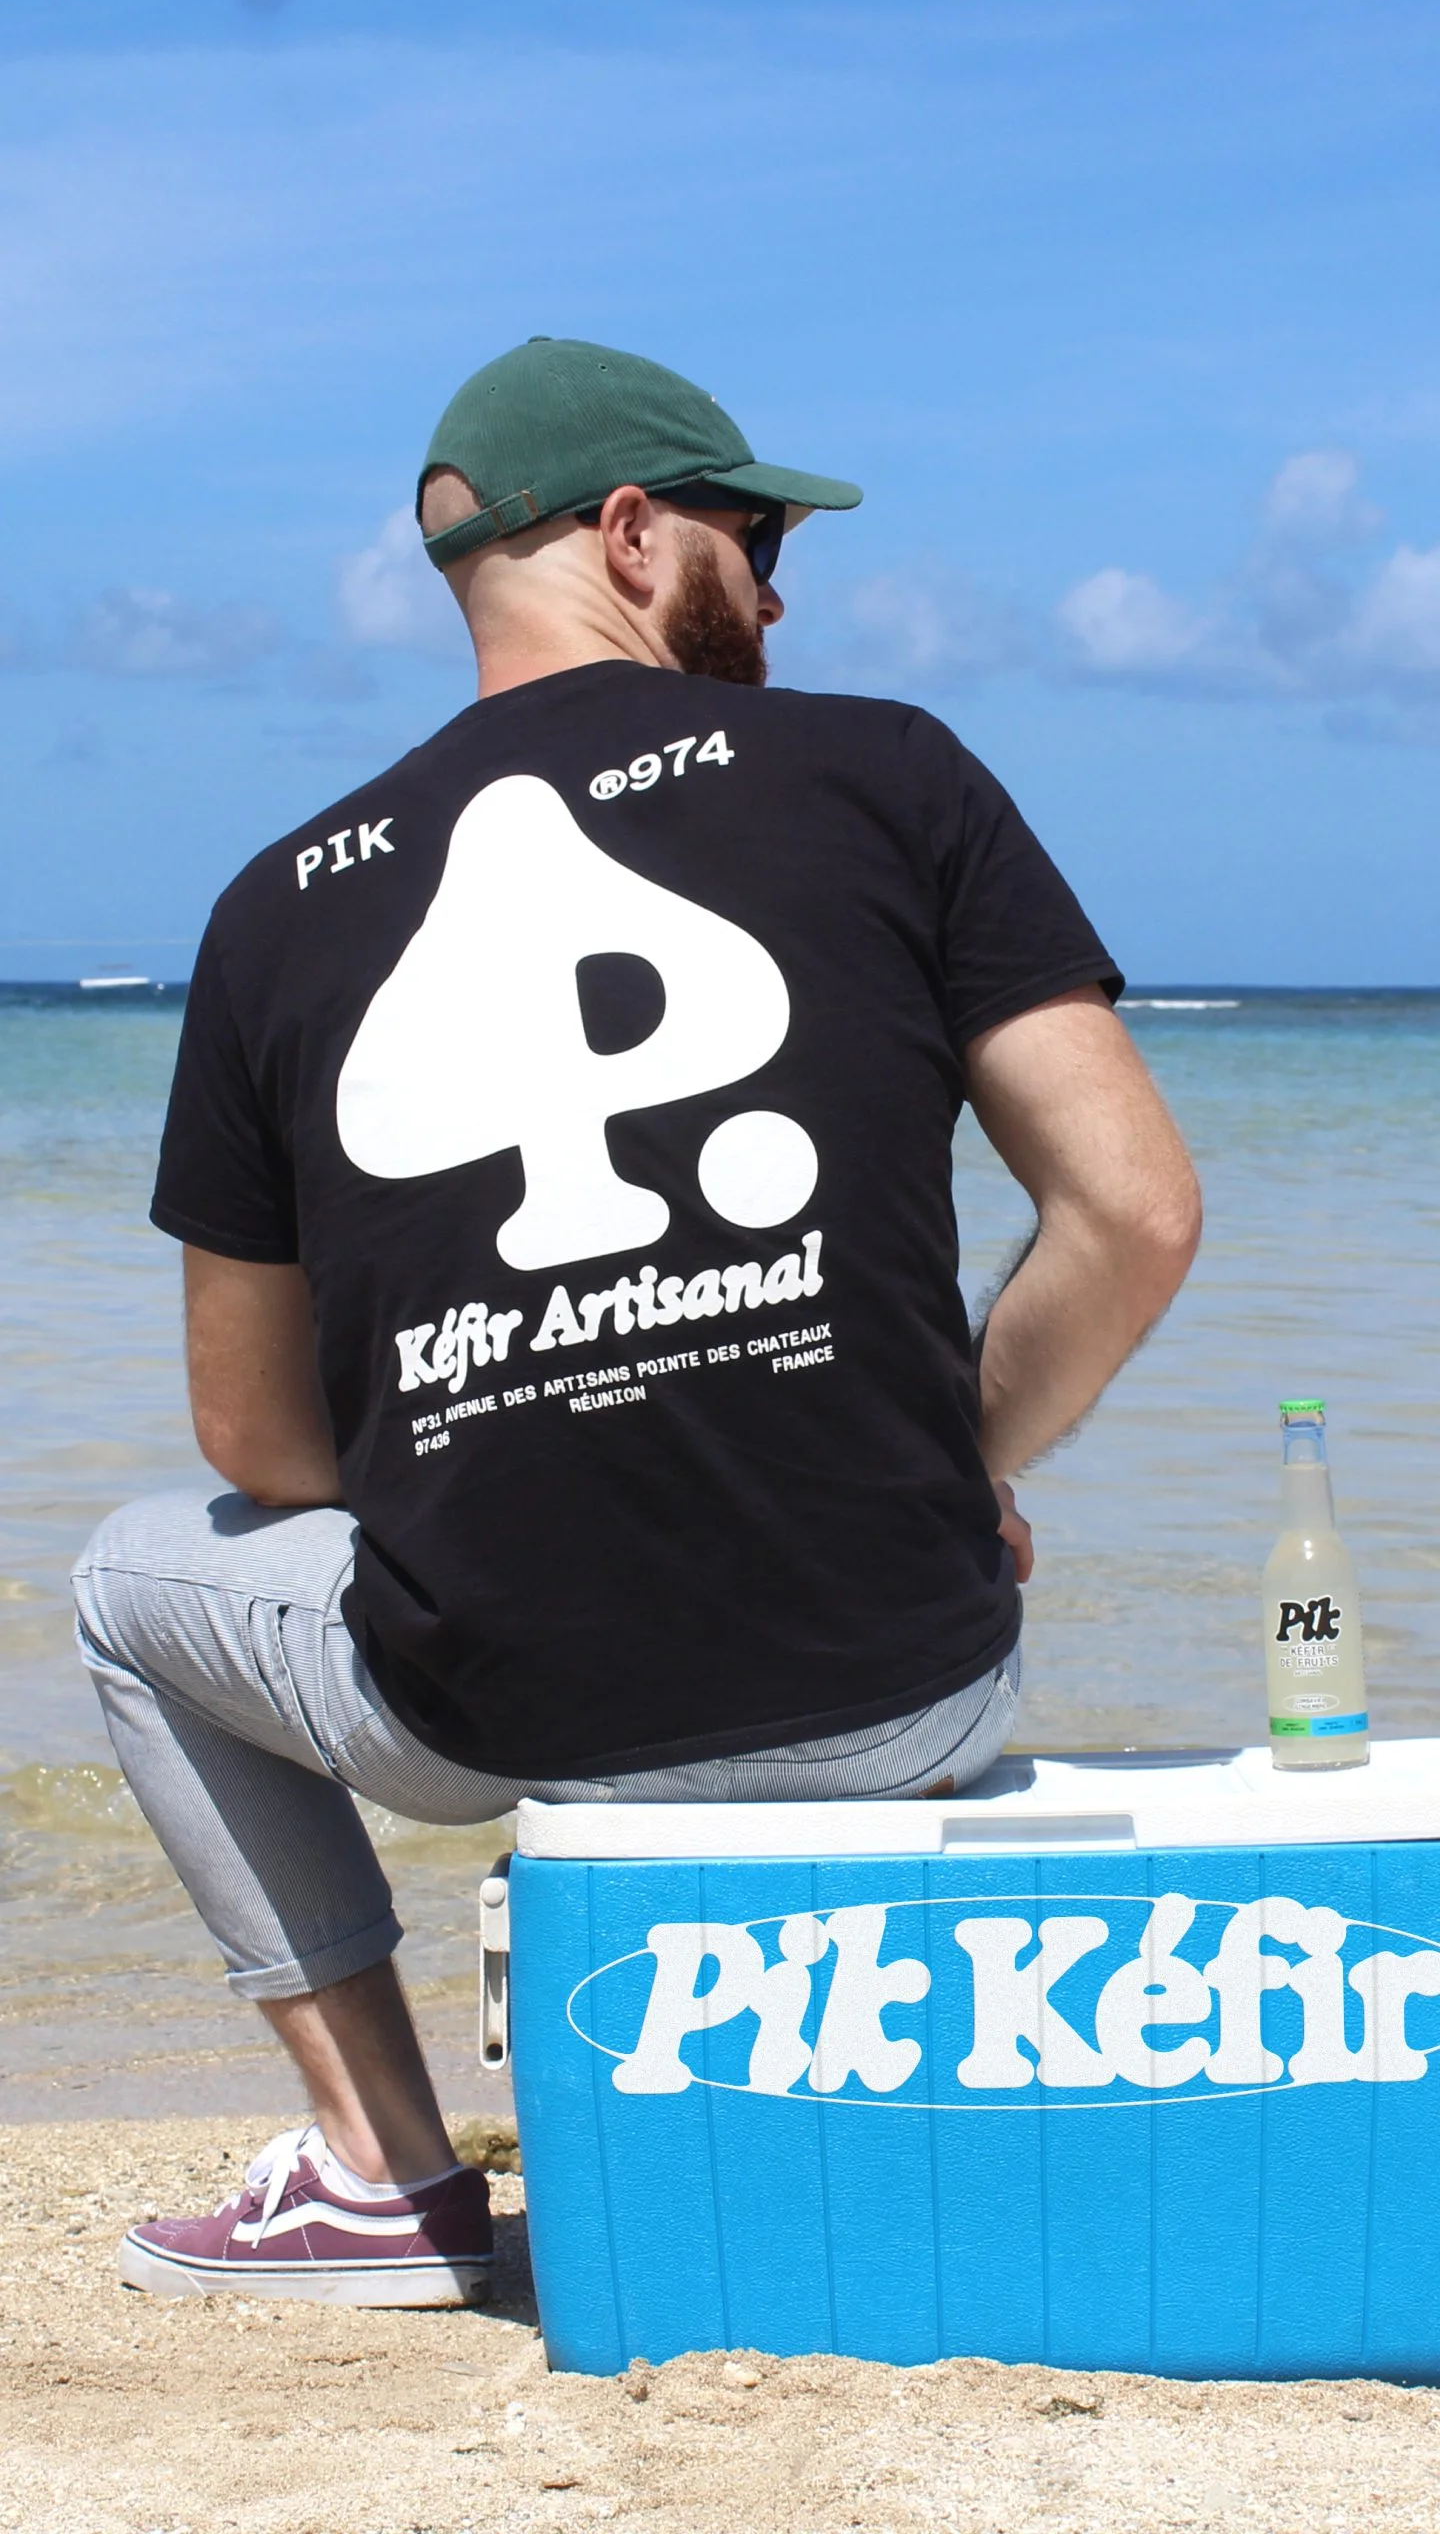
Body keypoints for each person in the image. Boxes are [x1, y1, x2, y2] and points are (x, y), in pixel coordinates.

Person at [72, 337, 1201, 2306]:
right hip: (905, 1688)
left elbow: (252, 1438)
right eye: (757, 541)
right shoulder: (891, 772)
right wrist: (953, 1460)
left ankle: (382, 2167)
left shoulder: (274, 910)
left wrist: (512, 1444)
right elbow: (1134, 1212)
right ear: (627, 533)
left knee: (124, 1582)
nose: (778, 595)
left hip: (502, 1712)